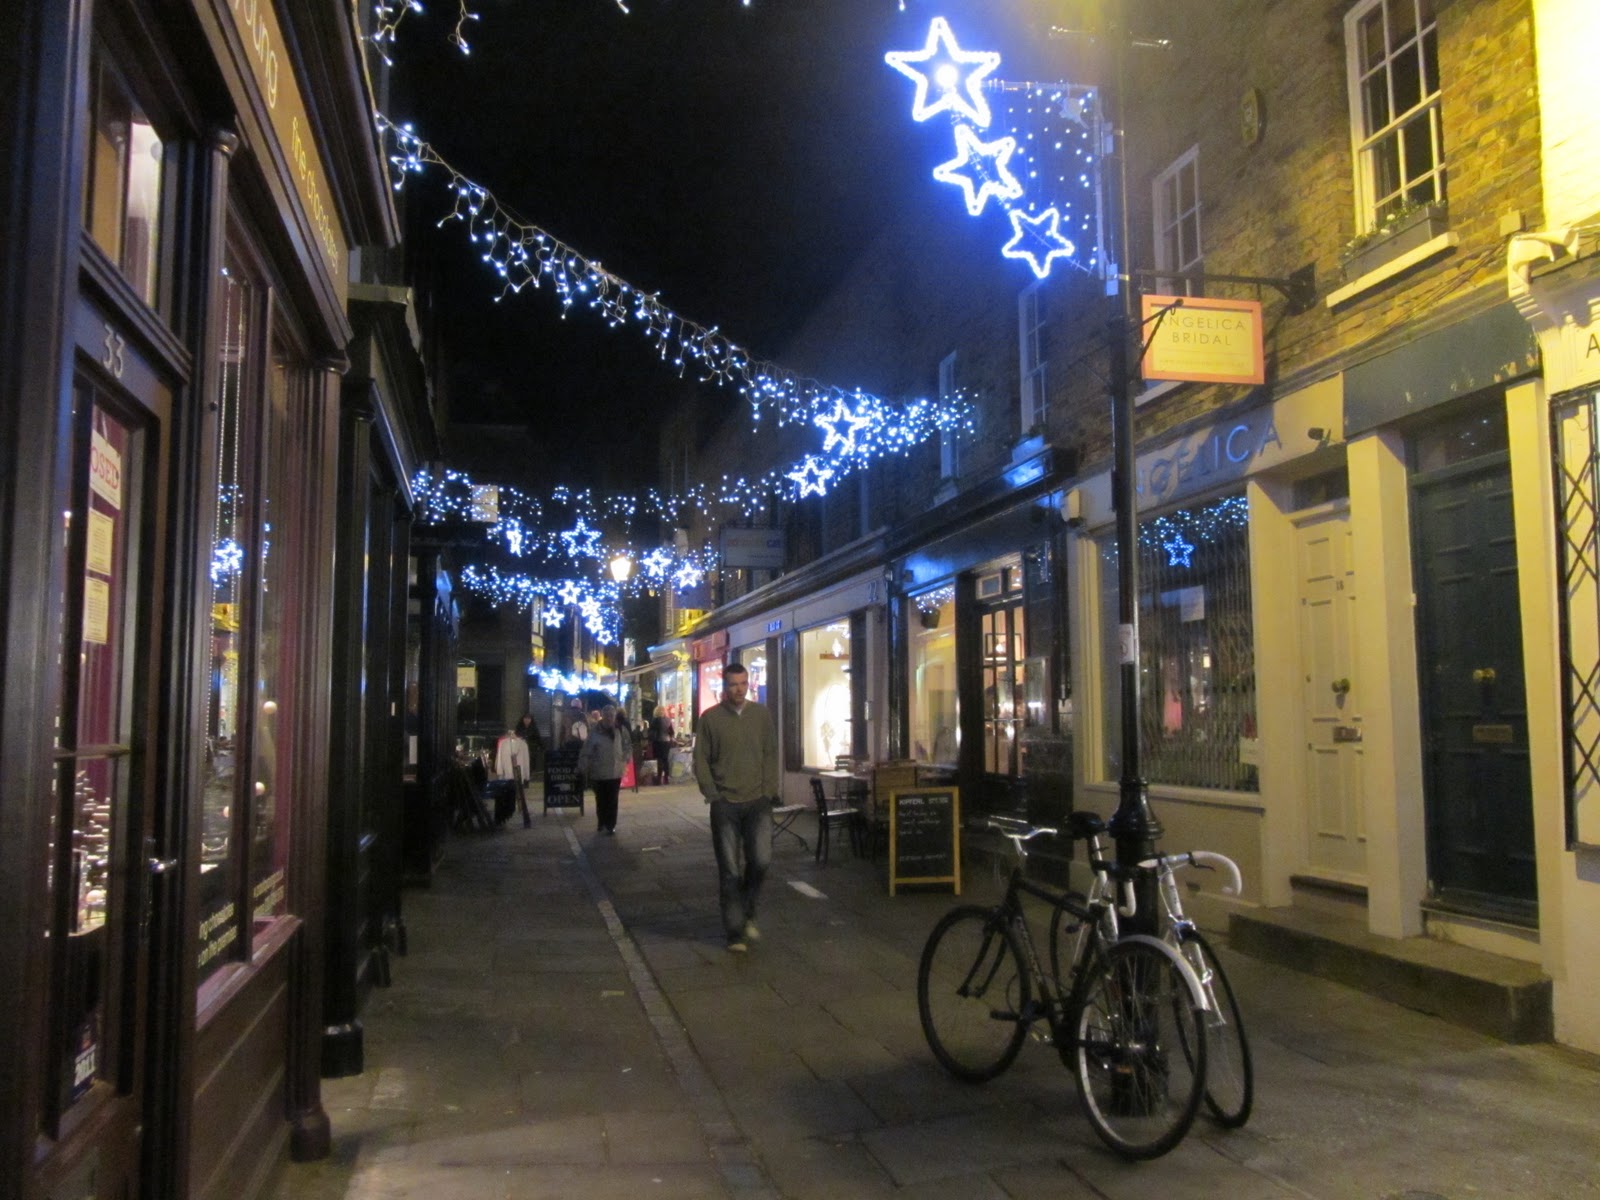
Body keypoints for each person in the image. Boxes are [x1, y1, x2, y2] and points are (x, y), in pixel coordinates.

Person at [693, 663, 779, 952]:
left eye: (743, 683)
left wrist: (769, 790)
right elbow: (701, 759)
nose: (739, 689)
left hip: (757, 801)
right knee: (729, 870)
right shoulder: (710, 719)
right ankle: (735, 933)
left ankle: (748, 910)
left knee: (761, 860)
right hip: (725, 804)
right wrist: (712, 794)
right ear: (724, 686)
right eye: (733, 684)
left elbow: (770, 752)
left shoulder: (761, 715)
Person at [579, 704, 631, 835]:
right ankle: (601, 821)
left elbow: (627, 745)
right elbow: (587, 749)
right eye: (607, 715)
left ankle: (610, 824)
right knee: (601, 799)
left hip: (615, 771)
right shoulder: (595, 731)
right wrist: (583, 766)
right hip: (599, 771)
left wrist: (625, 758)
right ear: (603, 716)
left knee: (613, 799)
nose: (609, 718)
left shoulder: (620, 729)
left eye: (612, 716)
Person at [648, 708, 676, 785]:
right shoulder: (668, 720)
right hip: (667, 742)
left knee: (659, 760)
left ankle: (659, 778)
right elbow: (672, 732)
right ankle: (666, 778)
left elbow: (651, 731)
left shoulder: (655, 720)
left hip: (658, 741)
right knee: (665, 759)